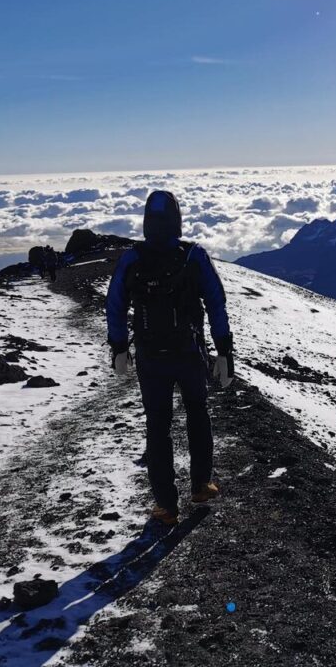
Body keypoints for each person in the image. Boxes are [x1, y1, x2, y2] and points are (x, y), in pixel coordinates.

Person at [106, 190, 235, 525]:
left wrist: (119, 348)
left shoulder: (132, 259)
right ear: (178, 219)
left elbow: (115, 304)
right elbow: (216, 304)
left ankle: (166, 506)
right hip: (189, 352)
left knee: (158, 425)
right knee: (197, 413)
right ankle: (201, 485)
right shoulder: (194, 256)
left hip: (150, 356)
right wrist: (224, 351)